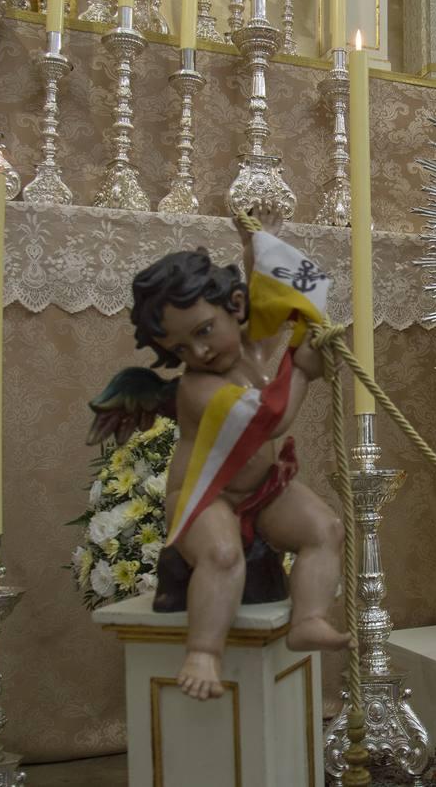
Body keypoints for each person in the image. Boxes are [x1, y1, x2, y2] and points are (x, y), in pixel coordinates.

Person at [127, 205, 350, 699]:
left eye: (204, 331)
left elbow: (265, 290)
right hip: (206, 497)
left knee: (325, 529)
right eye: (181, 348)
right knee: (224, 555)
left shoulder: (250, 347)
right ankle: (204, 650)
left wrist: (261, 241)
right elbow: (271, 419)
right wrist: (304, 371)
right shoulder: (198, 390)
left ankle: (308, 617)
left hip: (262, 492)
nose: (200, 353)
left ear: (233, 308)